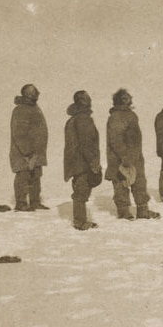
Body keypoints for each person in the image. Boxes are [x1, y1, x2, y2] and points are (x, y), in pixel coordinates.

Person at [105, 89, 160, 220]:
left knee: (140, 183)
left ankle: (143, 211)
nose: (130, 98)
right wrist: (124, 156)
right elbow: (115, 139)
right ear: (121, 100)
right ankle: (124, 213)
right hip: (120, 159)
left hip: (135, 158)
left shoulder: (131, 115)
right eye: (126, 97)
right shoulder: (116, 116)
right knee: (121, 184)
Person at [64, 90, 102, 230]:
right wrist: (93, 163)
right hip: (83, 163)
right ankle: (80, 222)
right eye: (87, 98)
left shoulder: (75, 118)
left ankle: (80, 220)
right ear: (83, 101)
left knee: (81, 191)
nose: (90, 99)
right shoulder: (83, 119)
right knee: (81, 193)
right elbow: (86, 144)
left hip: (77, 162)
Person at [9, 84, 49, 211]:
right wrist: (28, 153)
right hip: (23, 154)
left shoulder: (33, 107)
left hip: (35, 153)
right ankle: (21, 203)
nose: (38, 93)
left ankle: (34, 202)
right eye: (35, 92)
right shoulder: (21, 109)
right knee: (23, 176)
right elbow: (19, 134)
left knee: (35, 177)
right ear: (28, 94)